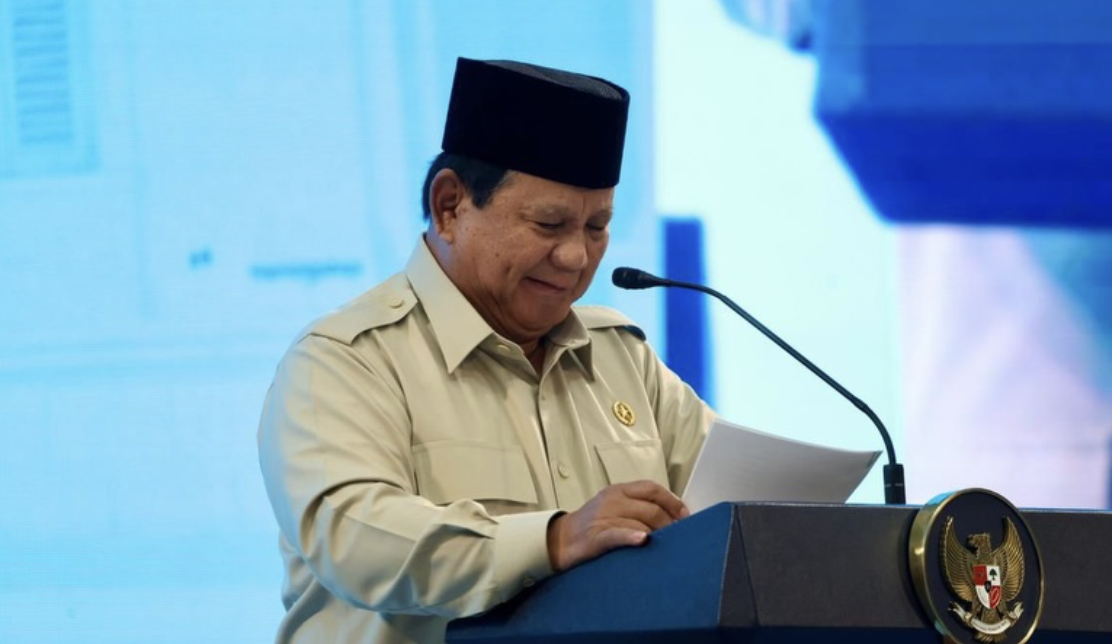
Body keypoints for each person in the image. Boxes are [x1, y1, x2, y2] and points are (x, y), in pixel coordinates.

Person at [257, 57, 715, 644]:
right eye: (549, 224)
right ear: (450, 206)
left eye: (597, 227)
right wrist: (555, 539)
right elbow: (355, 541)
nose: (577, 257)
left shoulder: (622, 358)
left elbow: (733, 510)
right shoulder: (344, 361)